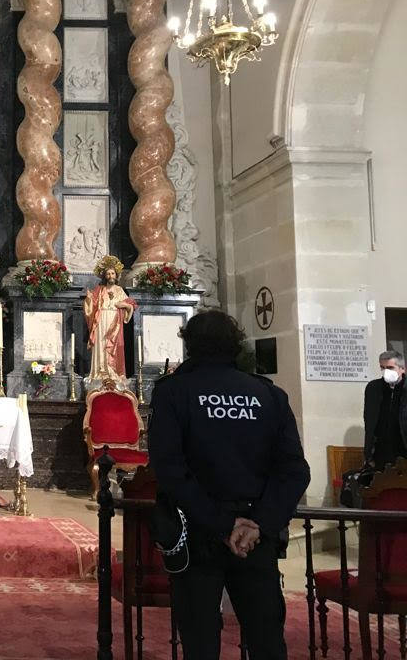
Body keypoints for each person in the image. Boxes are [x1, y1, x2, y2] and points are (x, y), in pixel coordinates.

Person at [149, 309, 310, 660]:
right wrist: (259, 524)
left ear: (189, 344)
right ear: (236, 345)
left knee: (201, 640)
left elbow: (170, 470)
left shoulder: (174, 393)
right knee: (266, 637)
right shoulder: (267, 395)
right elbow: (294, 471)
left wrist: (223, 525)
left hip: (197, 533)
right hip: (255, 538)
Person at [83, 255, 136, 382]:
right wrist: (89, 299)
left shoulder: (119, 290)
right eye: (108, 274)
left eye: (112, 273)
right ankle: (100, 371)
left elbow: (131, 305)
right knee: (101, 344)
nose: (110, 276)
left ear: (116, 275)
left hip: (115, 321)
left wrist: (125, 305)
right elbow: (91, 306)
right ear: (104, 276)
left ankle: (112, 372)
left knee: (113, 346)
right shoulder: (100, 290)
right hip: (101, 320)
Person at [364, 350, 407, 470]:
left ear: (402, 369)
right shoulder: (373, 388)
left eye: (390, 368)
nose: (385, 371)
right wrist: (368, 453)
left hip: (403, 447)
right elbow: (369, 421)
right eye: (382, 368)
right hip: (380, 451)